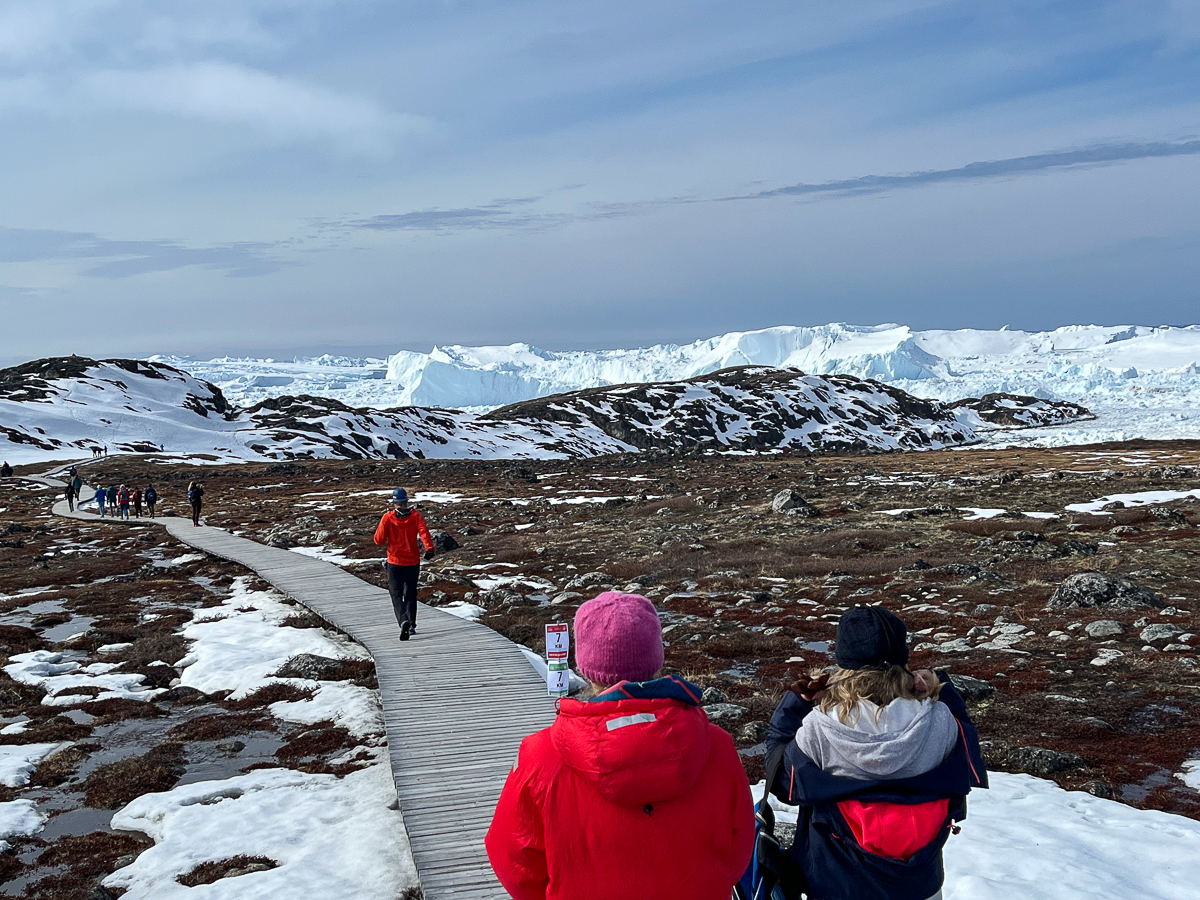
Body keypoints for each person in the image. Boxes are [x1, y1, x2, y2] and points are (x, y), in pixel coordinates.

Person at [486, 592, 755, 900]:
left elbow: (515, 866)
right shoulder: (717, 746)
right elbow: (738, 853)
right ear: (655, 657)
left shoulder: (540, 756)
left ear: (585, 664)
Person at [763, 607, 987, 900]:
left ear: (844, 660)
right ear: (902, 656)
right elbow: (968, 754)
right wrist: (941, 685)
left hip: (836, 886)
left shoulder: (819, 728)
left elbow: (780, 778)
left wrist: (796, 700)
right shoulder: (940, 720)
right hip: (921, 886)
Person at [372, 488, 435, 641]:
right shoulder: (416, 516)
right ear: (406, 501)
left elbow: (379, 540)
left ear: (394, 503)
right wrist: (429, 548)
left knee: (396, 594)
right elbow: (424, 533)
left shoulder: (388, 517)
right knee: (410, 593)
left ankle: (403, 621)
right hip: (412, 561)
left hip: (394, 562)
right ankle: (411, 625)